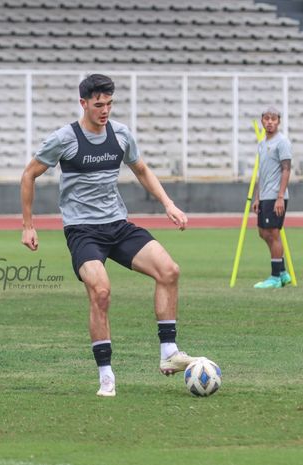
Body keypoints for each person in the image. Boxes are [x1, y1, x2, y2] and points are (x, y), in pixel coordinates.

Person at [20, 74, 198, 397]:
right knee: (100, 291)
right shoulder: (65, 138)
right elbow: (29, 173)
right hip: (82, 231)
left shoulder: (121, 135)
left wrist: (168, 204)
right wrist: (28, 225)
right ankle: (106, 374)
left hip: (117, 225)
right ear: (84, 103)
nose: (105, 111)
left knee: (169, 270)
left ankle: (169, 353)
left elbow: (141, 170)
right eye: (98, 105)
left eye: (109, 104)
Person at [251, 107, 292, 289]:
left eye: (273, 119)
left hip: (276, 195)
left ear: (278, 121)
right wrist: (257, 197)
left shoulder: (282, 142)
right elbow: (262, 173)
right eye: (266, 118)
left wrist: (280, 197)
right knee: (263, 232)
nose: (270, 122)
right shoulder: (261, 144)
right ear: (262, 121)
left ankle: (275, 277)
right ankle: (282, 272)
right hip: (265, 195)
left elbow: (286, 169)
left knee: (273, 233)